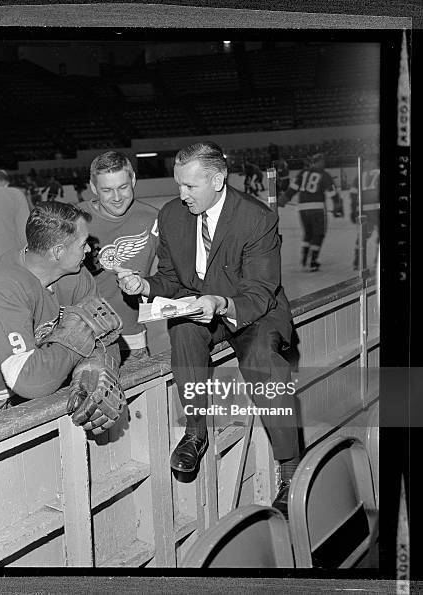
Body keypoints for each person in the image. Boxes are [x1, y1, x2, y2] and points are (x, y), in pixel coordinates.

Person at [117, 141, 300, 516]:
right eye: (178, 185)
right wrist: (145, 285)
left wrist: (221, 304)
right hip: (201, 307)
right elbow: (170, 277)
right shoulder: (171, 215)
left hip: (253, 310)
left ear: (217, 180)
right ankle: (196, 429)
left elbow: (261, 291)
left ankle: (290, 469)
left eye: (190, 186)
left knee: (264, 362)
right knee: (182, 330)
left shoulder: (256, 218)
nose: (181, 195)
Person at [0, 202, 124, 432]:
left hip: (31, 369)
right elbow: (28, 380)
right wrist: (74, 347)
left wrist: (94, 366)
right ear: (58, 252)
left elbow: (105, 332)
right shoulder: (5, 288)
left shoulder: (76, 274)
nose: (88, 251)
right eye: (83, 244)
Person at [79, 150, 158, 363]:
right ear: (93, 187)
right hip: (81, 340)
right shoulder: (75, 221)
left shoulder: (153, 219)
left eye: (123, 187)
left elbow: (172, 274)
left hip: (131, 340)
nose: (116, 198)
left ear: (133, 179)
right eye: (107, 190)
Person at [280, 153, 340, 272]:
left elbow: (292, 189)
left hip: (302, 208)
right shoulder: (323, 174)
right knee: (318, 234)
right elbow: (332, 192)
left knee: (308, 233)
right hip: (317, 208)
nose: (324, 163)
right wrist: (337, 206)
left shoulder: (303, 173)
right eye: (322, 161)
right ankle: (313, 261)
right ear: (318, 162)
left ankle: (303, 259)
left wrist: (283, 200)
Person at [350, 154, 380, 270]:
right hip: (377, 208)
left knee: (363, 235)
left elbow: (353, 194)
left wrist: (353, 210)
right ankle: (378, 261)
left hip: (363, 209)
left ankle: (358, 262)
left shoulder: (359, 176)